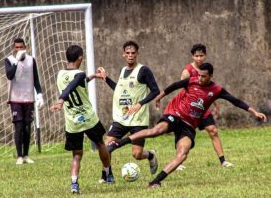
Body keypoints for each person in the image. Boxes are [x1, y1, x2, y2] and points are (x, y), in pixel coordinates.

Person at [107, 62, 267, 187]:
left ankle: (156, 181)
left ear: (211, 76)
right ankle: (118, 143)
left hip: (189, 126)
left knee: (182, 154)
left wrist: (254, 112)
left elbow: (236, 101)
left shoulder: (217, 90)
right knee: (156, 130)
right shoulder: (191, 81)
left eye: (204, 76)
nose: (200, 78)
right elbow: (174, 86)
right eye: (199, 75)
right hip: (175, 115)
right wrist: (160, 97)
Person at [49, 45, 114, 194]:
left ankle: (74, 184)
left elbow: (77, 82)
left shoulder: (60, 74)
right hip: (88, 118)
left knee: (77, 155)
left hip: (72, 121)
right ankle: (108, 173)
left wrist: (94, 76)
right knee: (100, 143)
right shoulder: (79, 74)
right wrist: (60, 100)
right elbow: (72, 85)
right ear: (80, 57)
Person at [97, 40, 160, 181]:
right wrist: (106, 79)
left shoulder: (144, 70)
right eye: (127, 53)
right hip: (122, 118)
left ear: (137, 54)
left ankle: (150, 155)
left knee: (137, 155)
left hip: (138, 119)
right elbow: (119, 90)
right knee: (107, 146)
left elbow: (155, 91)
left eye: (133, 53)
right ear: (123, 55)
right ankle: (107, 176)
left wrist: (140, 103)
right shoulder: (122, 71)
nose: (130, 55)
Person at [176, 43, 232, 170]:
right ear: (192, 56)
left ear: (205, 56)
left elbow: (210, 92)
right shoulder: (187, 72)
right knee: (184, 135)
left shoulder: (207, 70)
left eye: (201, 55)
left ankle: (223, 161)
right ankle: (179, 162)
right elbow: (182, 91)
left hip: (203, 109)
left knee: (213, 131)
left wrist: (215, 105)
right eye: (196, 56)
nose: (199, 58)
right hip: (189, 109)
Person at [5, 38, 44, 165]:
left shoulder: (31, 60)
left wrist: (39, 95)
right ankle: (19, 156)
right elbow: (9, 75)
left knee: (27, 127)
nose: (19, 49)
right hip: (15, 98)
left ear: (25, 47)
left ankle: (26, 155)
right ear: (13, 48)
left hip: (28, 98)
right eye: (17, 47)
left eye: (21, 47)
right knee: (19, 127)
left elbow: (36, 79)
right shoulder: (9, 60)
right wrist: (16, 60)